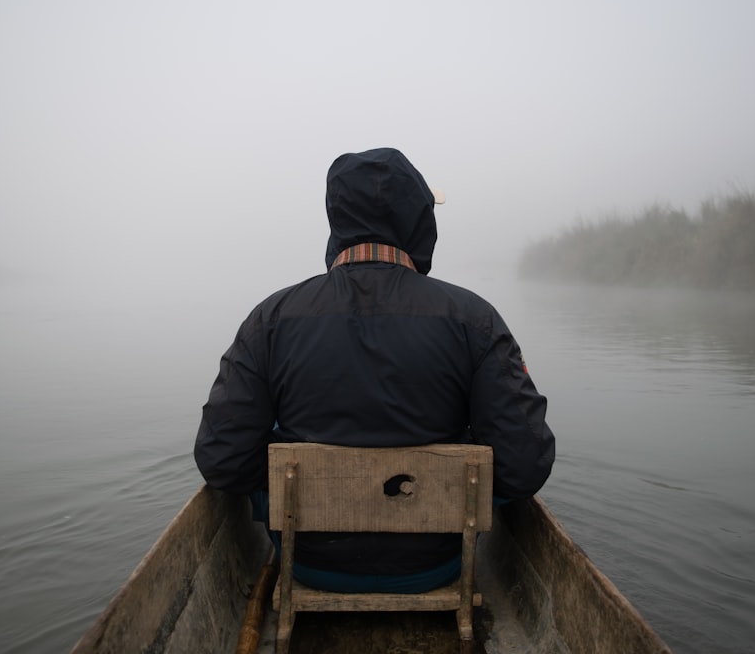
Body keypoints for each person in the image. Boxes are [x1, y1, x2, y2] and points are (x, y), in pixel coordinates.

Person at [194, 147, 554, 594]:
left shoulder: (270, 319)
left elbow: (221, 460)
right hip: (438, 563)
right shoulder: (475, 320)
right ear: (420, 221)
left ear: (337, 219)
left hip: (307, 562)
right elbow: (525, 465)